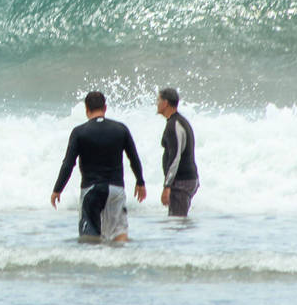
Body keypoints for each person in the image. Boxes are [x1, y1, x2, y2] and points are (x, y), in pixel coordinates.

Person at [51, 91, 146, 242]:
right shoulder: (121, 129)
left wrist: (57, 189)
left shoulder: (79, 132)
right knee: (119, 233)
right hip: (116, 189)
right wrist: (140, 182)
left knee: (90, 236)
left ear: (87, 109)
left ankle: (95, 263)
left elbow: (68, 164)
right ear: (105, 108)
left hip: (91, 190)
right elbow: (133, 158)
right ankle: (121, 263)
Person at [157, 87, 199, 217]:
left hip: (181, 181)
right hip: (187, 179)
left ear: (165, 103)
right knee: (179, 221)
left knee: (176, 222)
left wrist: (167, 186)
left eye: (158, 100)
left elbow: (175, 157)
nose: (156, 104)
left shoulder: (174, 124)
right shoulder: (178, 121)